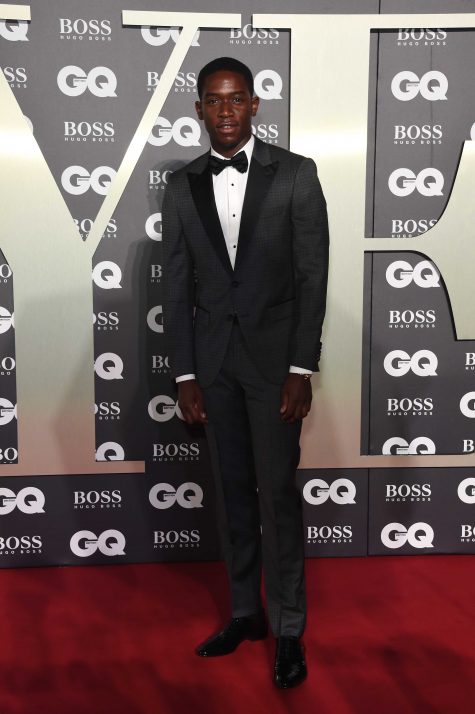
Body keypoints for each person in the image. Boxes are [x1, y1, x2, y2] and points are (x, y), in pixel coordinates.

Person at [162, 56, 329, 689]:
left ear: (255, 105)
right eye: (213, 100)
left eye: (236, 100)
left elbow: (313, 277)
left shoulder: (297, 175)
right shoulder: (181, 187)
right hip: (213, 367)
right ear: (199, 108)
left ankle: (289, 630)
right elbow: (176, 285)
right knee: (231, 495)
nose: (225, 111)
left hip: (275, 366)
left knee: (277, 497)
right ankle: (244, 613)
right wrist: (184, 375)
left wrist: (300, 366)